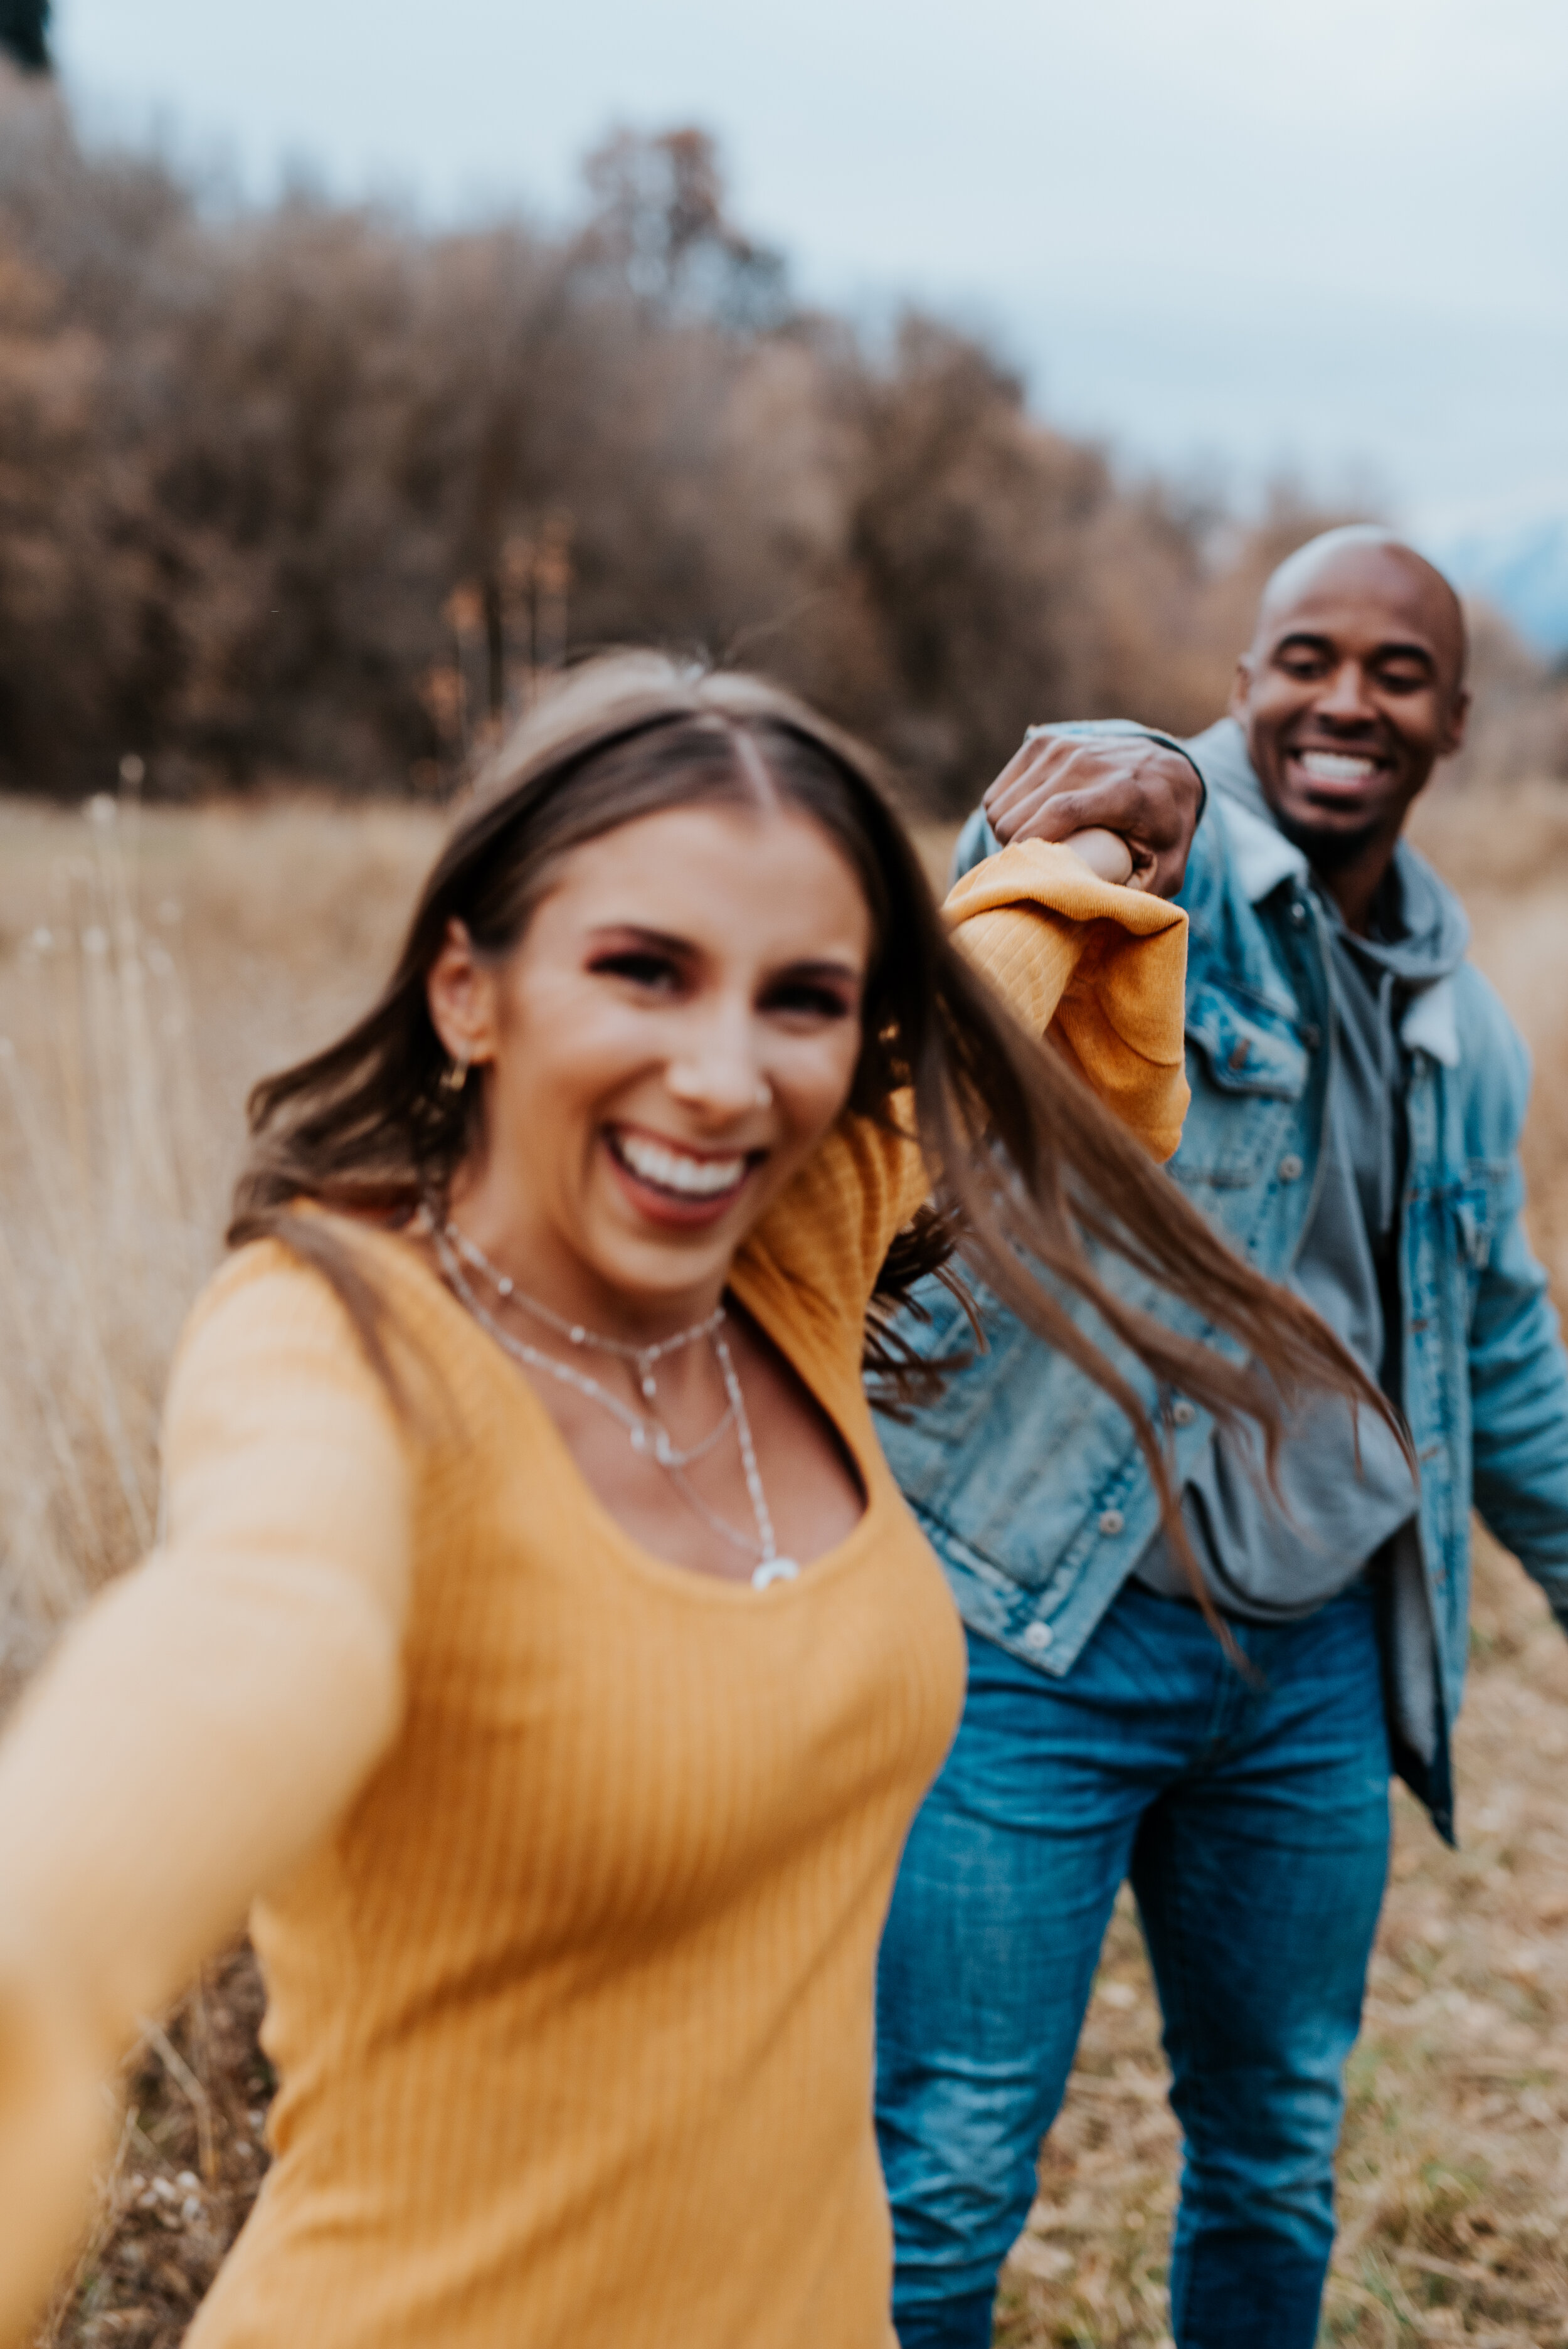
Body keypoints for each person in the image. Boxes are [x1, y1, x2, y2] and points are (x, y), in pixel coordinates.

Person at [0, 654, 1374, 2349]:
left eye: (799, 997)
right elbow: (248, 1634)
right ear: (465, 990)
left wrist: (1137, 809)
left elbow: (1002, 954)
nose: (726, 1075)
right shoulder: (337, 1343)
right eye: (641, 971)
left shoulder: (786, 1244)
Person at [874, 527, 1568, 2349]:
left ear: (1454, 722)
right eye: (1303, 657)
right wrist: (1141, 777)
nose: (1345, 699)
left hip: (1312, 1662)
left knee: (1271, 2152)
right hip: (1039, 1631)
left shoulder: (1463, 1025)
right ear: (1245, 679)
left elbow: (1492, 1334)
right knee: (940, 2175)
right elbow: (1026, 893)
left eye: (1394, 672)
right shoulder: (1158, 884)